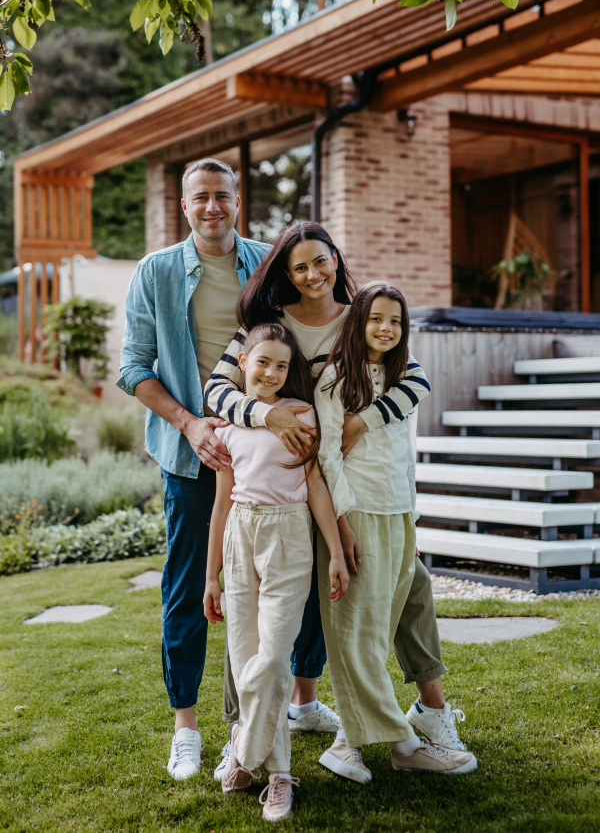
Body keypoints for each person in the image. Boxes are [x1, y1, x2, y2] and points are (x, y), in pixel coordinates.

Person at [206, 222, 473, 771]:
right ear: (286, 272)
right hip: (278, 485)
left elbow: (414, 380)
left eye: (321, 262)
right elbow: (216, 390)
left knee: (410, 584)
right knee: (254, 607)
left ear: (336, 261)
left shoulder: (362, 317)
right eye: (299, 266)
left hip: (346, 484)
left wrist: (365, 422)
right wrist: (268, 414)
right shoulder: (265, 327)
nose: (313, 275)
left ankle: (431, 709)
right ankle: (243, 729)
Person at [117, 158, 272, 780]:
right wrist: (189, 423)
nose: (213, 207)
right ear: (185, 206)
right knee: (187, 589)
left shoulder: (265, 262)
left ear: (239, 200)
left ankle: (282, 709)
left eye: (223, 196)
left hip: (261, 451)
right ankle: (187, 728)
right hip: (191, 455)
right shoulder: (155, 272)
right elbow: (134, 366)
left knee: (276, 579)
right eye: (200, 197)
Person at [203, 323, 348, 821]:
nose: (270, 373)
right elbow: (220, 507)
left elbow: (318, 489)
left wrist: (336, 552)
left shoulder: (301, 416)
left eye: (281, 366)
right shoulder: (227, 427)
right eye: (261, 361)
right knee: (245, 656)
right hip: (240, 536)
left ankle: (244, 748)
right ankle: (280, 776)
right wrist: (210, 577)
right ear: (241, 362)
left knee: (273, 654)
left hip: (288, 538)